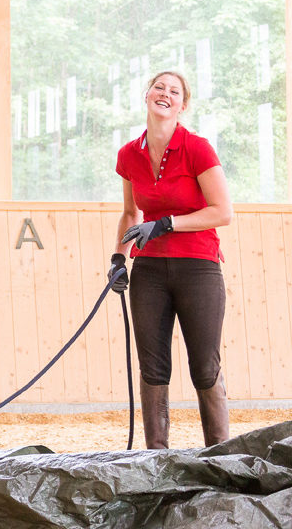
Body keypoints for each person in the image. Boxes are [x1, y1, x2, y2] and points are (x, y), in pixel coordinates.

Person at [107, 70, 233, 449]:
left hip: (198, 266)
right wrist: (118, 258)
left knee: (204, 366)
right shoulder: (129, 154)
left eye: (174, 91)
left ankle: (219, 456)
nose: (165, 94)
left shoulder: (197, 148)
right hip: (149, 271)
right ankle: (156, 460)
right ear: (147, 95)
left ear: (183, 104)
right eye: (158, 87)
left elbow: (222, 211)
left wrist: (166, 224)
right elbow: (131, 214)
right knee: (153, 366)